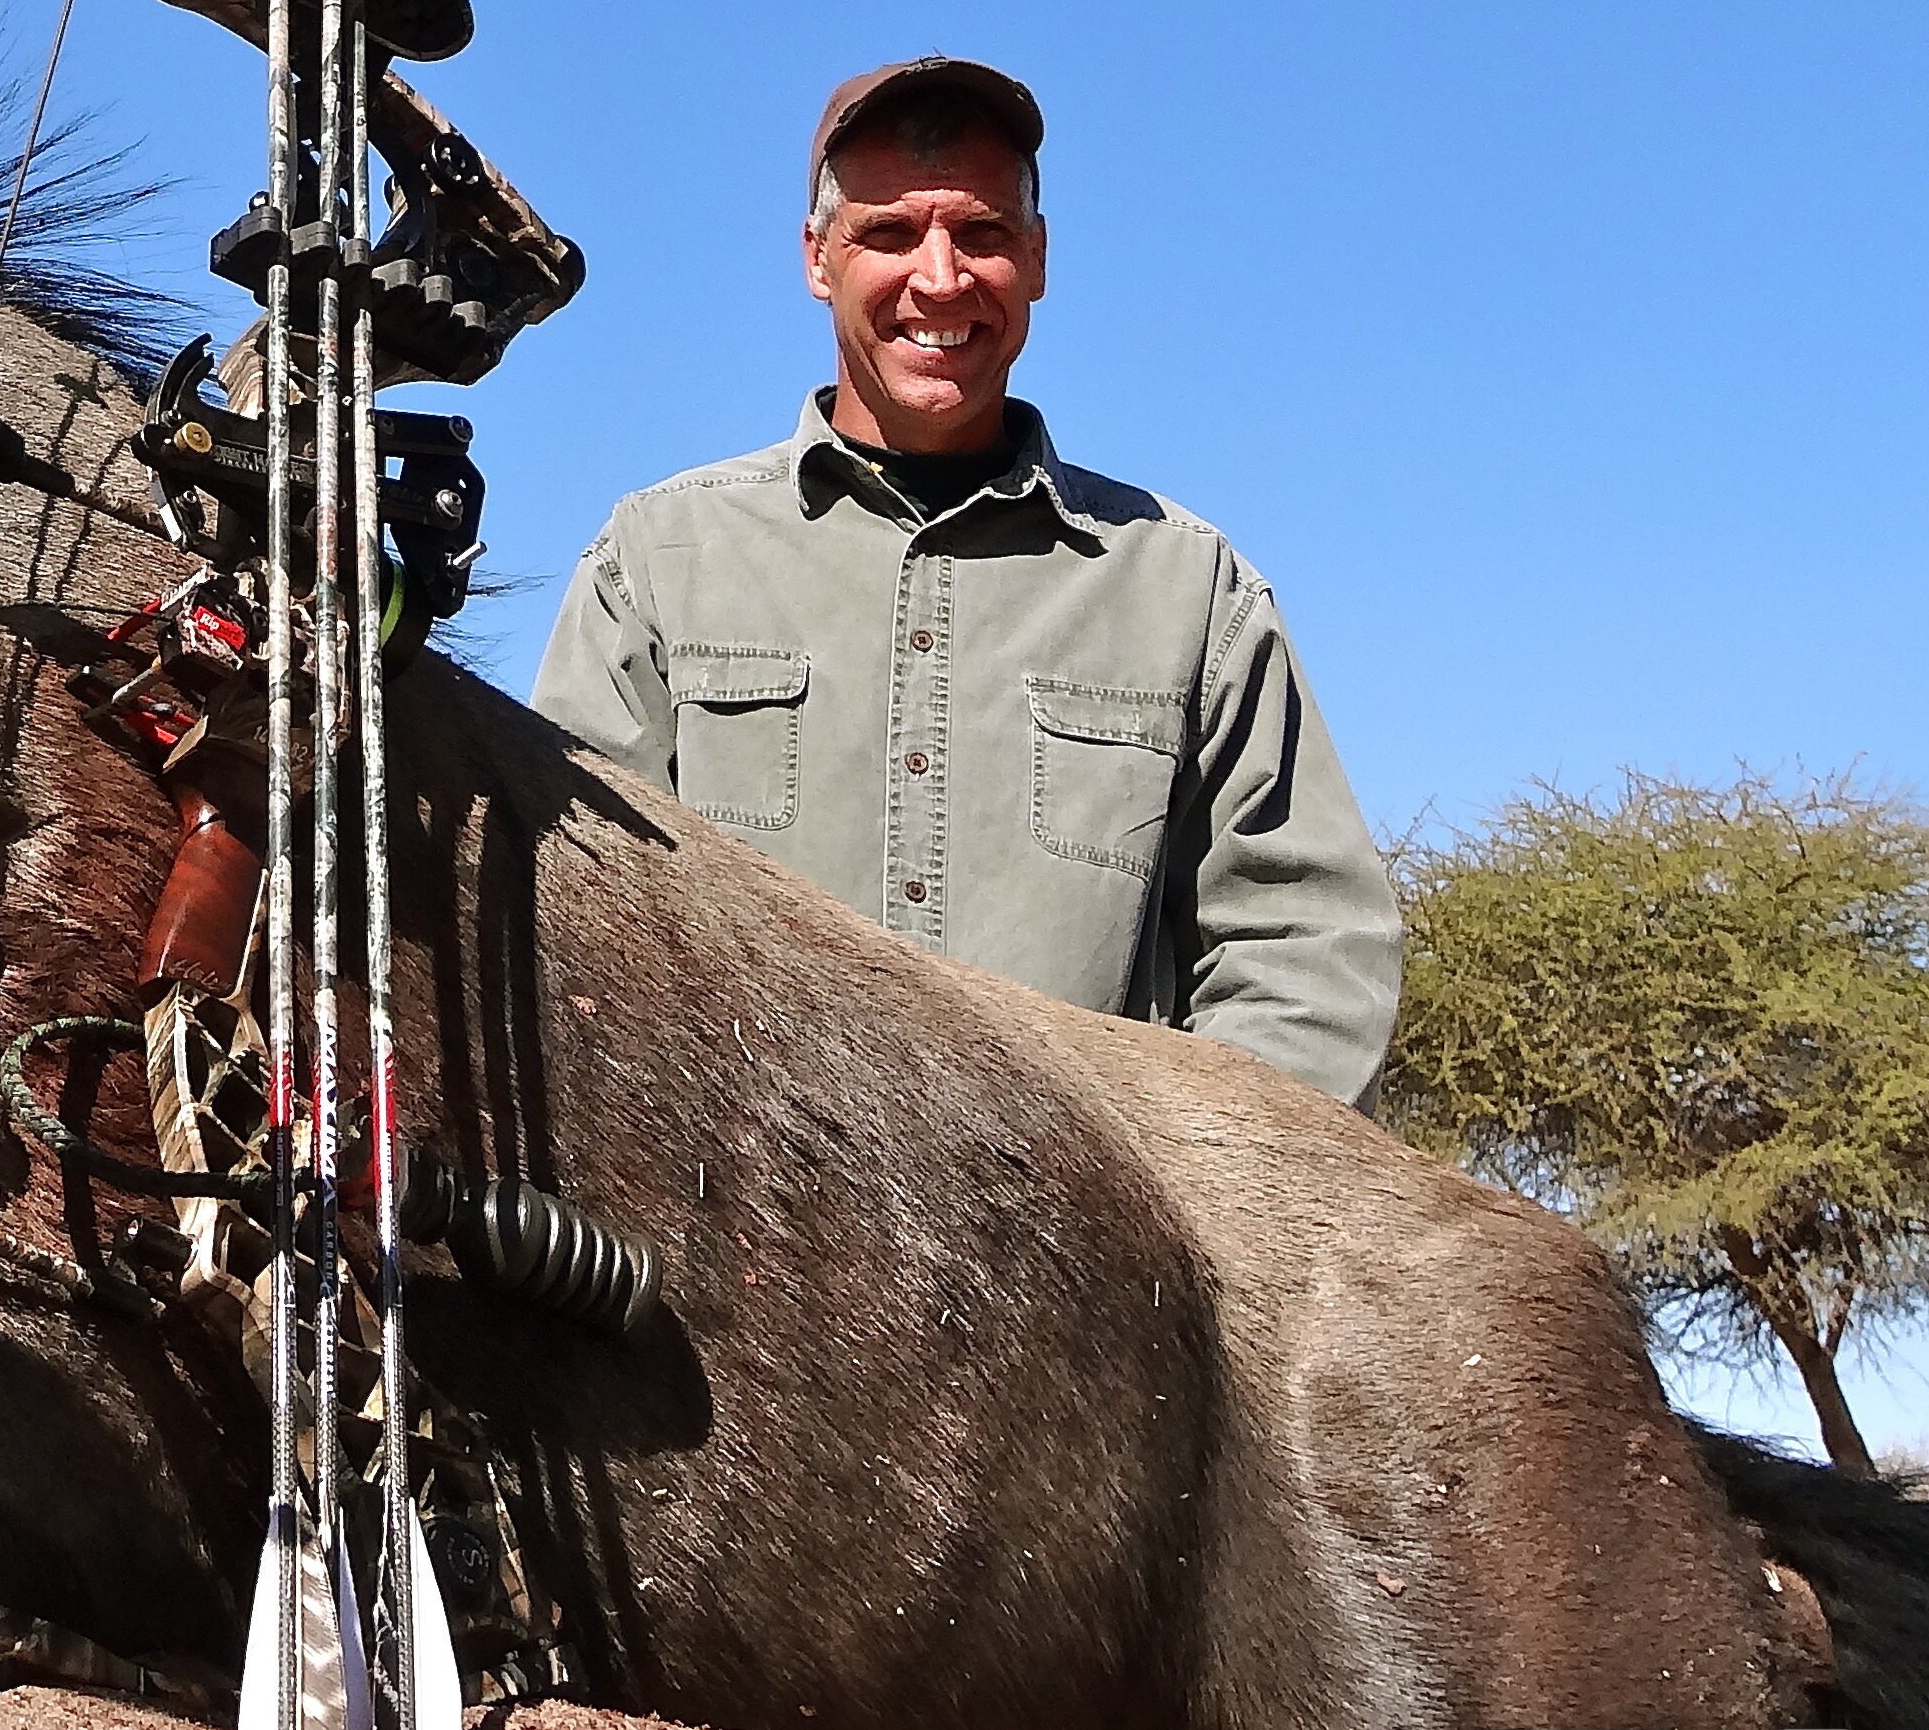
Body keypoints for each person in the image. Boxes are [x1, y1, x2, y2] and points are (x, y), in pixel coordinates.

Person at [531, 56, 1402, 1104]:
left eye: (981, 234)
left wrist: (1169, 1199)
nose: (938, 279)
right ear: (816, 258)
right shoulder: (658, 561)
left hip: (1094, 1257)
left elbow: (1304, 950)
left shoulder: (1188, 587)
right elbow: (566, 931)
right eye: (888, 233)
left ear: (1035, 259)